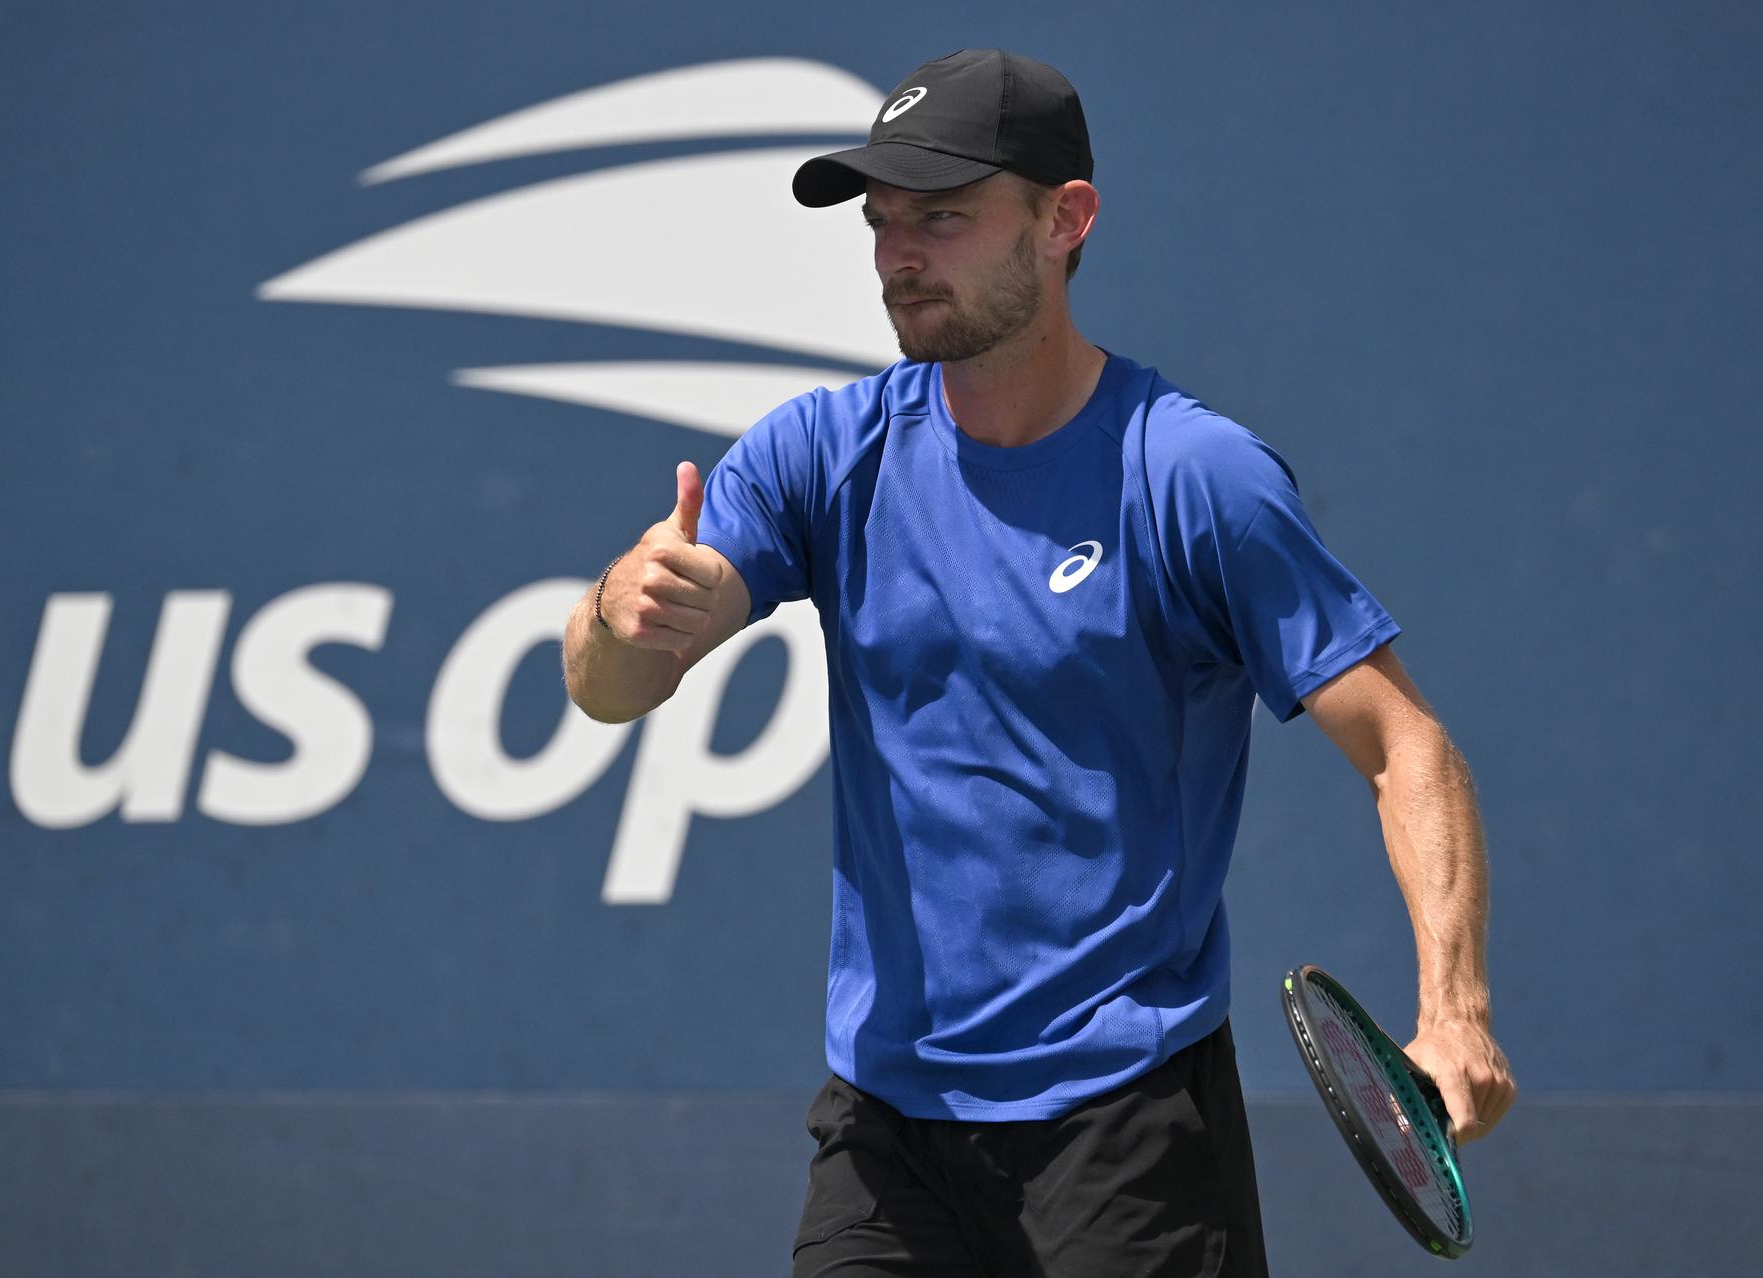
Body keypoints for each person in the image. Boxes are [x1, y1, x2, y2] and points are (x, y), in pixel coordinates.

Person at [562, 47, 1515, 1278]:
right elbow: (608, 689)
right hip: (886, 1135)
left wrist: (1456, 1009)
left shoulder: (1193, 479)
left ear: (1066, 221)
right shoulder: (819, 454)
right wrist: (619, 615)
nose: (899, 254)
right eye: (883, 222)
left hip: (1127, 1132)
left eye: (944, 217)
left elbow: (1406, 745)